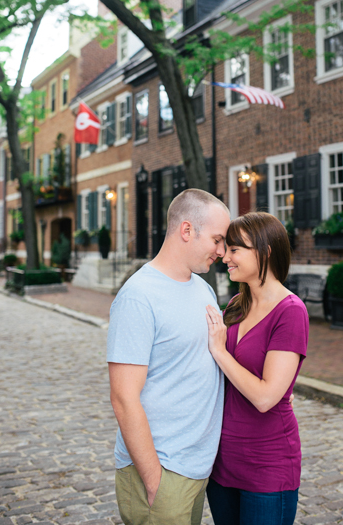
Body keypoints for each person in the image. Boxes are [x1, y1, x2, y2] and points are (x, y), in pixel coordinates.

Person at [107, 188, 231, 525]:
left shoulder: (203, 288)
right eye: (218, 240)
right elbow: (123, 397)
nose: (222, 252)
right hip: (162, 469)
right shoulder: (138, 297)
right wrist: (153, 480)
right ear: (187, 230)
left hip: (196, 469)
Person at [204, 211, 309, 525]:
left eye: (235, 249)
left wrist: (220, 352)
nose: (225, 256)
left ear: (264, 251)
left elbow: (265, 398)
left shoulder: (290, 312)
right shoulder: (237, 304)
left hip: (267, 463)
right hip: (223, 461)